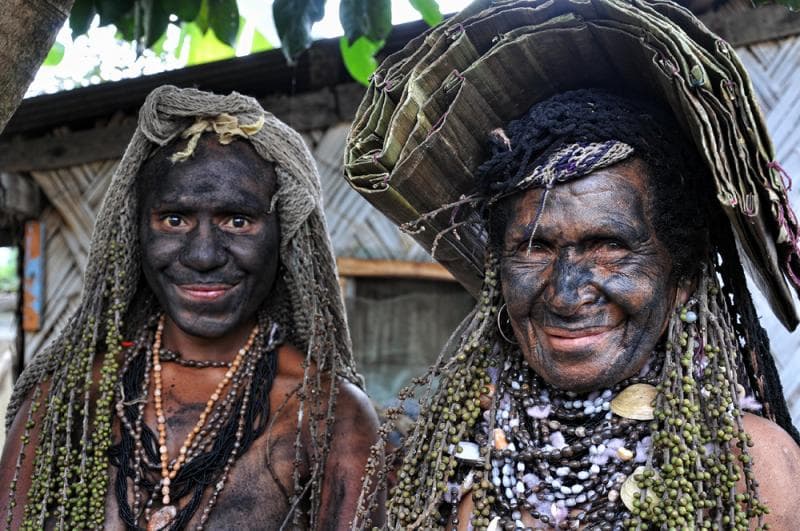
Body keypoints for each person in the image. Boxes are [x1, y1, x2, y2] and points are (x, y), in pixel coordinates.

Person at [343, 2, 800, 530]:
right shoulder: (450, 460)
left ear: (681, 278)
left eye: (608, 246)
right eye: (534, 249)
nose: (564, 294)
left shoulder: (750, 467)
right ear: (496, 273)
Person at [0, 86, 382, 530]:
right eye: (174, 219)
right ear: (136, 234)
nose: (203, 256)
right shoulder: (70, 398)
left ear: (283, 239)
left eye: (238, 221)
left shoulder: (327, 415)